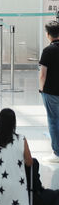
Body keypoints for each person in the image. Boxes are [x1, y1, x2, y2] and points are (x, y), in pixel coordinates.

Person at [39, 21, 59, 163]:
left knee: (53, 120)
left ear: (48, 35)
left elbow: (42, 75)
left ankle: (57, 153)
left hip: (51, 91)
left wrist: (41, 89)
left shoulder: (48, 51)